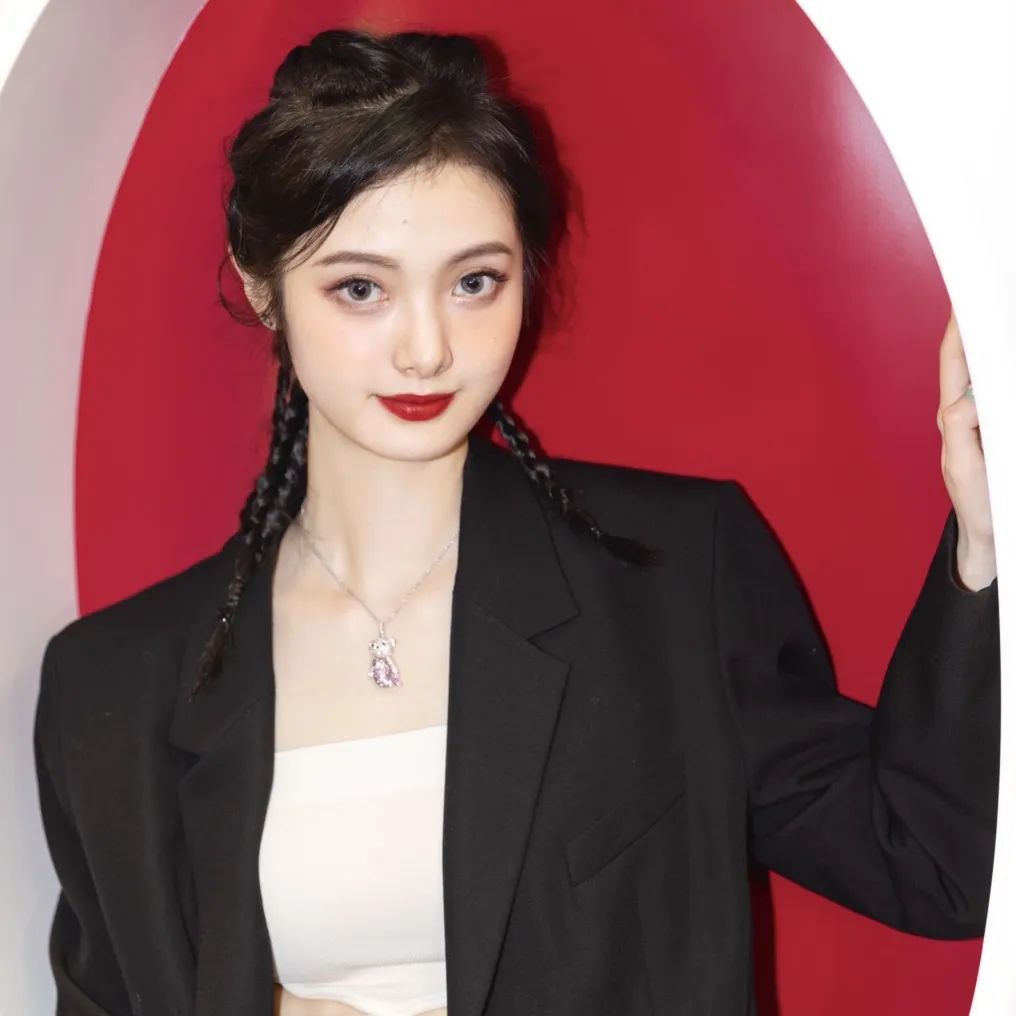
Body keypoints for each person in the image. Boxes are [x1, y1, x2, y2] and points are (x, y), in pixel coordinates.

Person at [33, 27, 1000, 1016]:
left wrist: (983, 537)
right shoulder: (112, 690)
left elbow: (931, 860)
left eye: (473, 282)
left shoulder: (668, 581)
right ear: (259, 283)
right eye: (360, 288)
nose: (426, 349)